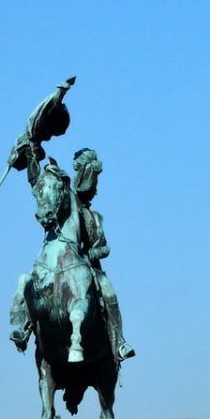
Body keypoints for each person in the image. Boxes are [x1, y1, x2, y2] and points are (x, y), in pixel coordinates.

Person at [71, 147, 135, 361]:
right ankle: (24, 327)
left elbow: (106, 247)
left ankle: (119, 342)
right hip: (61, 262)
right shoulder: (65, 209)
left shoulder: (95, 217)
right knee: (33, 279)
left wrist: (90, 254)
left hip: (90, 269)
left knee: (108, 292)